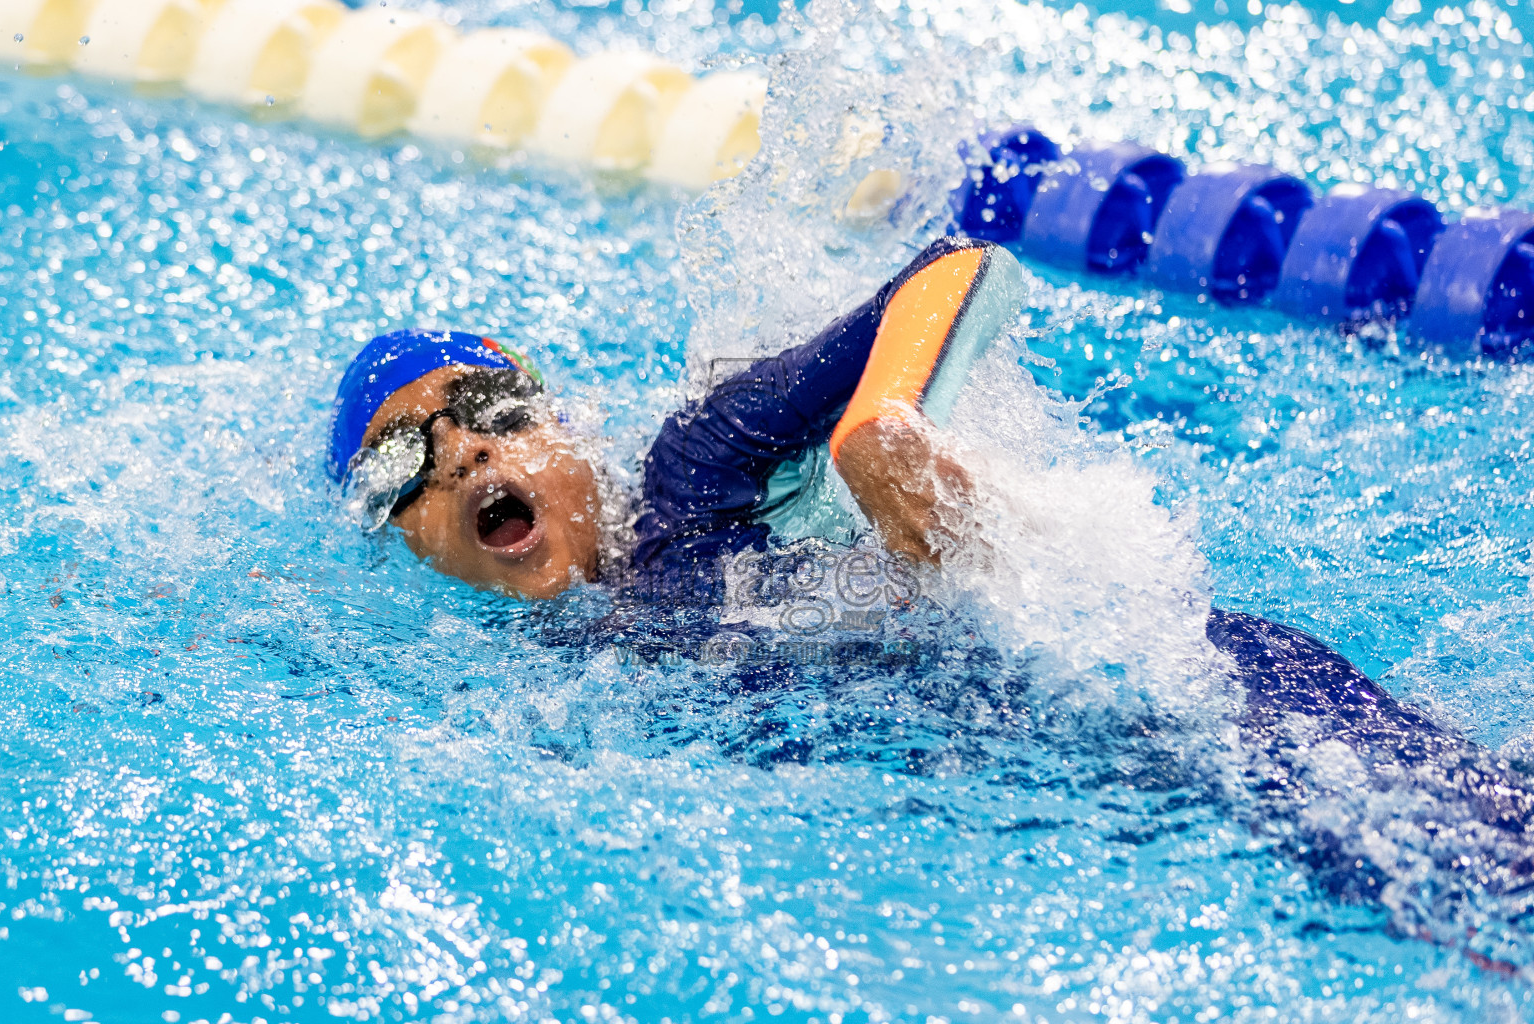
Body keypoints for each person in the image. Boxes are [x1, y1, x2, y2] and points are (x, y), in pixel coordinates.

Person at [326, 235, 1534, 916]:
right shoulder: (527, 697)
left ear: (566, 429)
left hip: (1196, 686)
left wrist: (881, 428)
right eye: (406, 460)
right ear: (398, 536)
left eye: (492, 408)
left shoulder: (695, 479)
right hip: (1122, 789)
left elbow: (958, 269)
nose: (468, 448)